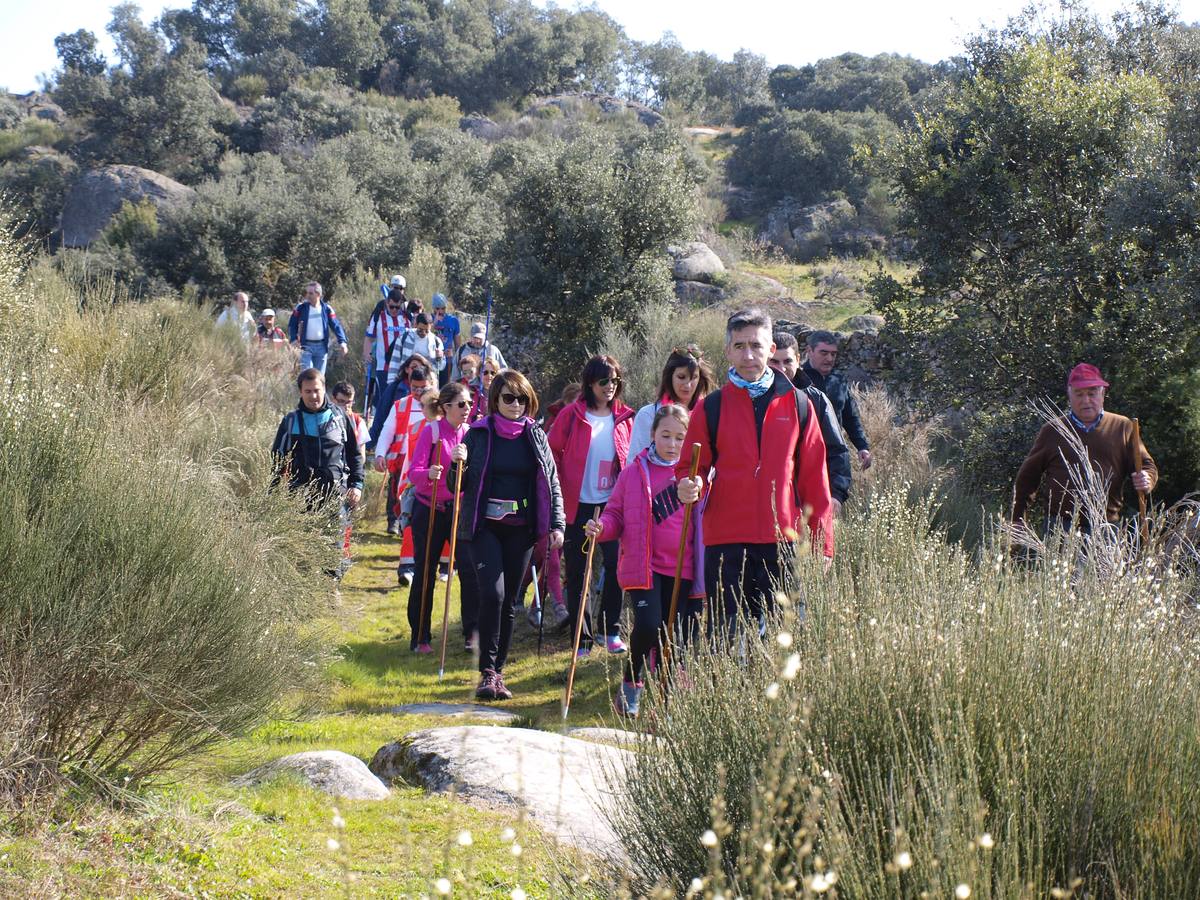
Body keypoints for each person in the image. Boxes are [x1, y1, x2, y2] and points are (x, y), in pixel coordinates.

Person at [677, 309, 834, 635]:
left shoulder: (799, 405)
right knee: (725, 638)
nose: (748, 355)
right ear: (728, 351)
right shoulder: (711, 407)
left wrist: (823, 546)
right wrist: (688, 486)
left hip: (783, 542)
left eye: (756, 345)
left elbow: (815, 482)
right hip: (725, 543)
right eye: (739, 346)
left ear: (771, 348)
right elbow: (691, 469)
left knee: (782, 640)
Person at [585, 404, 704, 718]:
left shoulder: (696, 477)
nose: (672, 443)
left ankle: (667, 704)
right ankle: (630, 687)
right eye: (665, 435)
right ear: (653, 435)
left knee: (674, 636)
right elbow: (615, 515)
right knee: (649, 627)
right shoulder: (634, 473)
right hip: (645, 567)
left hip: (685, 569)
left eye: (680, 437)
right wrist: (602, 529)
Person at [452, 371, 565, 701]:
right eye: (508, 398)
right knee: (494, 594)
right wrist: (456, 463)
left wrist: (556, 524)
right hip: (483, 527)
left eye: (521, 399)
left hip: (522, 529)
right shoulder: (478, 434)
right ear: (495, 401)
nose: (515, 405)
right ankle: (486, 671)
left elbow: (551, 482)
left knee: (509, 603)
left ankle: (497, 673)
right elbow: (455, 486)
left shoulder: (536, 436)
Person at [549, 355, 636, 656]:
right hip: (577, 508)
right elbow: (552, 456)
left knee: (616, 567)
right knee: (578, 572)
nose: (610, 386)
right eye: (603, 381)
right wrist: (559, 491)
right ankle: (582, 638)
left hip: (612, 507)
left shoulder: (625, 418)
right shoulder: (571, 416)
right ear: (589, 383)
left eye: (614, 381)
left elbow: (633, 460)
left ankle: (610, 631)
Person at [1012, 363, 1156, 531]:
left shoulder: (1123, 427)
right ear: (1069, 395)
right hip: (1059, 527)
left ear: (1102, 394)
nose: (1086, 400)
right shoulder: (1053, 430)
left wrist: (1147, 479)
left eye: (1092, 393)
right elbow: (1028, 477)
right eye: (1079, 394)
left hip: (1105, 527)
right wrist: (1018, 519)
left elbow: (1146, 465)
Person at [405, 383, 479, 653]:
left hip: (461, 512)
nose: (467, 409)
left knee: (470, 572)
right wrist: (429, 475)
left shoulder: (472, 434)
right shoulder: (432, 431)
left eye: (470, 404)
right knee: (426, 571)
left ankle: (472, 633)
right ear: (446, 407)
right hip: (430, 510)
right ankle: (420, 636)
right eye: (462, 404)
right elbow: (414, 473)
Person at [770, 332, 852, 515]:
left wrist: (836, 494)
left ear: (798, 360)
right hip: (765, 504)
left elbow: (837, 449)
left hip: (809, 502)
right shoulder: (754, 400)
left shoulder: (815, 400)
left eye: (787, 361)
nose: (781, 369)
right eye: (775, 362)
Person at [270, 369, 364, 525]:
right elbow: (277, 459)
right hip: (299, 499)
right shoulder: (290, 421)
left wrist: (356, 485)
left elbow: (354, 455)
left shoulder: (340, 418)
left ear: (324, 389)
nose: (313, 396)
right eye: (308, 391)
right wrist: (272, 494)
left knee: (334, 548)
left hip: (335, 498)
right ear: (300, 392)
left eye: (316, 390)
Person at [375, 366, 433, 544]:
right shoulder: (400, 405)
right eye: (414, 387)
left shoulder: (438, 406)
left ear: (430, 384)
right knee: (398, 493)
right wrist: (379, 454)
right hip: (402, 460)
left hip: (428, 462)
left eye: (422, 387)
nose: (417, 391)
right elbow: (388, 430)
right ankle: (397, 522)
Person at [802, 330, 872, 471]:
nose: (829, 358)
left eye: (833, 354)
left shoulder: (839, 381)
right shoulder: (797, 380)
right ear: (809, 351)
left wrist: (862, 447)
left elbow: (850, 417)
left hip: (835, 456)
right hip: (804, 456)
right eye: (824, 353)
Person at [628, 347, 715, 459]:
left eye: (694, 378)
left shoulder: (709, 416)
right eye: (681, 377)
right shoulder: (648, 415)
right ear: (670, 376)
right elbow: (634, 464)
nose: (688, 385)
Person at [331, 382, 369, 562]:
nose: (345, 406)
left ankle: (341, 563)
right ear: (333, 399)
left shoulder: (358, 422)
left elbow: (360, 455)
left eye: (349, 402)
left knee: (345, 524)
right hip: (331, 480)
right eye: (341, 401)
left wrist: (357, 483)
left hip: (349, 481)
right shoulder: (327, 419)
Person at [363, 285, 411, 427]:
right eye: (392, 307)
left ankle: (399, 430)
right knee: (384, 399)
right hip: (383, 366)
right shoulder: (378, 316)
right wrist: (366, 354)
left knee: (401, 400)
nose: (395, 310)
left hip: (403, 367)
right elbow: (369, 337)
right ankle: (379, 432)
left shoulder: (406, 318)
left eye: (397, 307)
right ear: (387, 303)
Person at [288, 282, 349, 375]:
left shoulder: (327, 309)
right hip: (305, 346)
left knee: (319, 377)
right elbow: (292, 324)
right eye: (307, 293)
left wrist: (343, 342)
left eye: (310, 293)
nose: (307, 296)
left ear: (318, 294)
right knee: (307, 375)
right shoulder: (300, 308)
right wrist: (293, 339)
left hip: (322, 347)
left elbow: (336, 326)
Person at [389, 314, 445, 381]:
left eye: (426, 330)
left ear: (431, 326)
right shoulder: (404, 337)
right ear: (416, 324)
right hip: (406, 380)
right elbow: (395, 360)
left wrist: (440, 358)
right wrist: (391, 381)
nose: (423, 333)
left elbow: (441, 367)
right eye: (420, 330)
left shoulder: (436, 341)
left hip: (427, 383)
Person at [431, 294, 462, 385]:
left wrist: (458, 359)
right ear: (433, 308)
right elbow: (425, 333)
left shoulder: (453, 320)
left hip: (448, 359)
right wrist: (434, 322)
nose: (440, 311)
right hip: (432, 359)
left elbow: (457, 343)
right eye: (437, 308)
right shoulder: (429, 319)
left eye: (443, 308)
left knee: (446, 386)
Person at [467, 359, 499, 423]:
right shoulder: (470, 392)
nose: (489, 375)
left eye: (493, 373)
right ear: (478, 374)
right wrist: (473, 421)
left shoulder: (501, 393)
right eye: (485, 372)